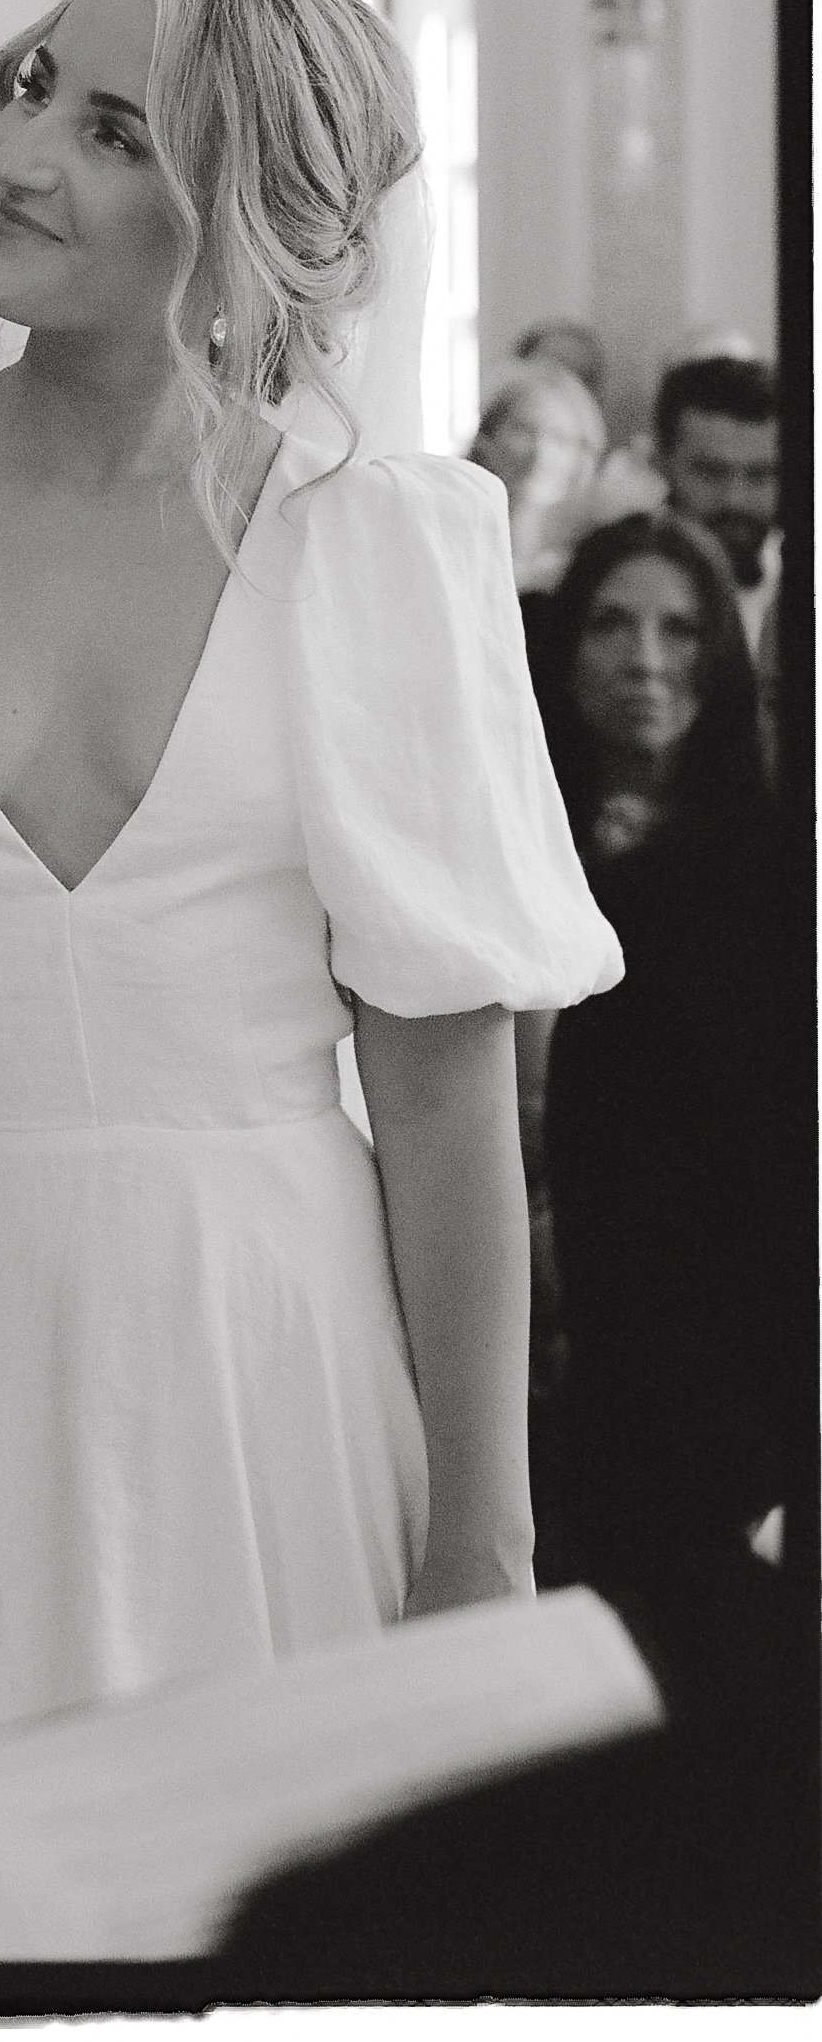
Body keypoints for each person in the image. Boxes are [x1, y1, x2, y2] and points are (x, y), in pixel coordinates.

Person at [0, 0, 621, 1757]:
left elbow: (441, 1098)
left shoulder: (375, 552)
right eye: (33, 85)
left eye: (115, 131)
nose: (22, 155)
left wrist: (481, 1540)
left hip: (281, 1357)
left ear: (246, 216)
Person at [516, 513, 798, 1649]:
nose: (643, 658)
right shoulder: (504, 837)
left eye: (680, 629)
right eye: (610, 624)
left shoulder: (768, 879)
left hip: (675, 1383)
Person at [654, 352, 781, 660]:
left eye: (760, 475)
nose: (734, 499)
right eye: (711, 472)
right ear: (662, 463)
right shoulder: (599, 589)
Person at [467, 357, 610, 600]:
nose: (540, 454)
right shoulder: (455, 539)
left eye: (560, 439)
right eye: (525, 431)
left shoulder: (596, 560)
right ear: (487, 438)